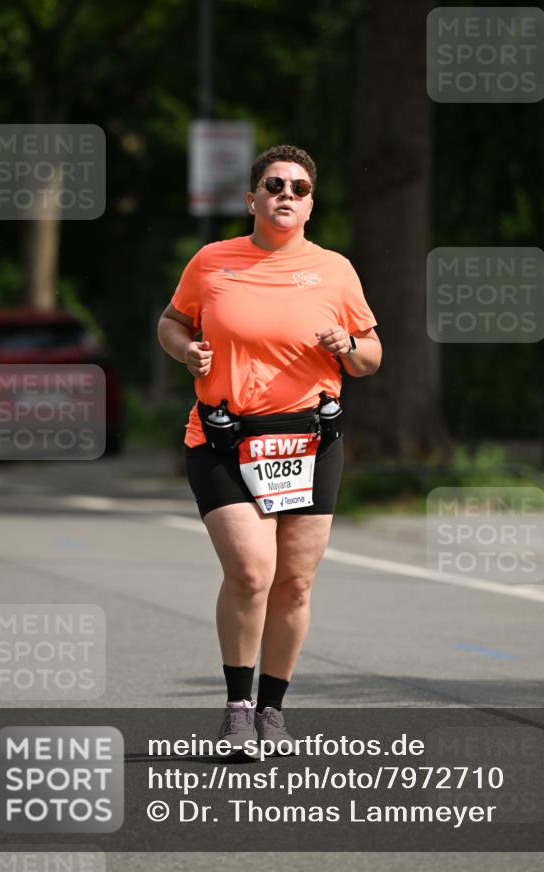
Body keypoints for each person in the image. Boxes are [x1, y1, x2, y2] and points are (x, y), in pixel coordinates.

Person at [157, 144, 381, 754]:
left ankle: (272, 711)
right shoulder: (212, 261)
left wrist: (346, 346)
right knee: (253, 571)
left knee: (295, 584)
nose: (287, 194)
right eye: (275, 185)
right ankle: (237, 710)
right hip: (225, 439)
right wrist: (186, 350)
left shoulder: (334, 270)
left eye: (299, 188)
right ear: (252, 198)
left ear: (310, 205)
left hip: (308, 442)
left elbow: (369, 357)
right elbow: (171, 322)